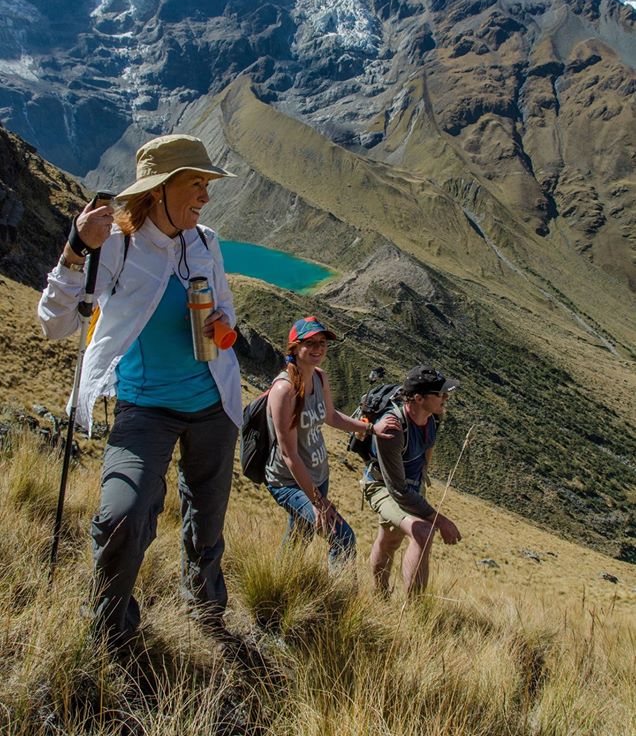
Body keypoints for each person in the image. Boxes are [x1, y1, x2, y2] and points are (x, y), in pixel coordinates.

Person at [38, 133, 242, 646]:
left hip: (214, 404)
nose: (205, 195)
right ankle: (111, 632)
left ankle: (206, 614)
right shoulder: (118, 246)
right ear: (160, 189)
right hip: (145, 408)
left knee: (207, 524)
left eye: (206, 183)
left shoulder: (206, 243)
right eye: (196, 183)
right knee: (123, 515)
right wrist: (75, 248)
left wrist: (221, 322)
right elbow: (53, 323)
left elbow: (227, 312)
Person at [264, 316, 401, 569]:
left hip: (317, 475)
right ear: (294, 347)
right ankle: (337, 602)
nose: (318, 348)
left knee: (299, 537)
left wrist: (371, 428)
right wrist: (319, 502)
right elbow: (288, 453)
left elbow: (330, 416)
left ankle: (278, 584)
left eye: (323, 343)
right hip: (289, 482)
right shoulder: (284, 390)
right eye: (310, 343)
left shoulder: (319, 377)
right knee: (343, 538)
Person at [362, 365, 462, 596]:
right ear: (418, 398)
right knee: (423, 532)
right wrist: (441, 521)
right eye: (440, 394)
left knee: (390, 540)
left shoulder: (433, 417)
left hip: (410, 486)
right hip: (383, 486)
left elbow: (428, 446)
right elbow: (397, 490)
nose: (446, 398)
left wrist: (422, 473)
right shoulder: (393, 429)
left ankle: (379, 596)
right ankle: (413, 610)